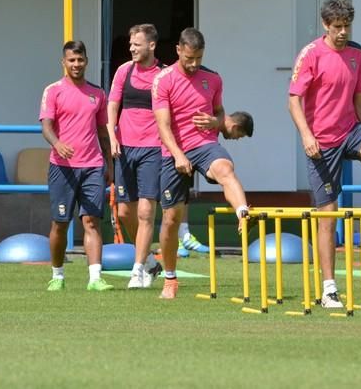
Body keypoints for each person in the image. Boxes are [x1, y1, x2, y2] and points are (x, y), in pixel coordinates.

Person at [288, 0, 361, 309]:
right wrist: (306, 135)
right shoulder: (311, 54)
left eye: (347, 26)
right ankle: (329, 289)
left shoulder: (357, 53)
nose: (343, 32)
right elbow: (294, 100)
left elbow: (360, 96)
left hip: (350, 131)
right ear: (325, 25)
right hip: (320, 141)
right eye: (337, 27)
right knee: (328, 217)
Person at [152, 27, 254, 299]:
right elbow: (162, 125)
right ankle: (170, 279)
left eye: (198, 58)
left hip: (205, 144)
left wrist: (216, 122)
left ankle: (243, 212)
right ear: (178, 50)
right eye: (189, 58)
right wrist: (178, 155)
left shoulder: (213, 78)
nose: (194, 64)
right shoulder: (163, 80)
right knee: (171, 219)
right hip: (174, 150)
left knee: (225, 169)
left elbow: (220, 113)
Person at [40, 40, 114, 292]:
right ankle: (57, 275)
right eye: (71, 60)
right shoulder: (53, 91)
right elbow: (47, 126)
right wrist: (57, 143)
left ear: (86, 61)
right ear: (63, 62)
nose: (76, 64)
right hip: (62, 168)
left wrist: (110, 164)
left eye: (80, 60)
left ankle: (95, 278)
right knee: (60, 223)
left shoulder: (98, 93)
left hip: (92, 166)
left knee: (91, 221)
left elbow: (103, 132)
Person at [107, 24, 164, 289]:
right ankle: (151, 261)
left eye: (137, 44)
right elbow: (113, 105)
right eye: (130, 44)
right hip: (125, 149)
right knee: (124, 211)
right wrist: (112, 136)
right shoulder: (123, 71)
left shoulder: (163, 76)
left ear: (151, 45)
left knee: (145, 212)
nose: (132, 49)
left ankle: (138, 270)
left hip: (153, 149)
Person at [177, 111, 255, 258]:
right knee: (173, 192)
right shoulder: (210, 116)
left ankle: (184, 235)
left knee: (184, 190)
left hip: (194, 152)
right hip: (172, 148)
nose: (237, 139)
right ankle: (175, 238)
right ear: (236, 127)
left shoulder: (215, 127)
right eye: (240, 135)